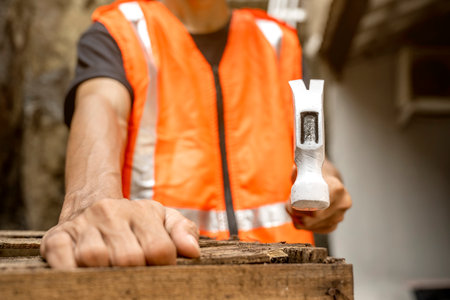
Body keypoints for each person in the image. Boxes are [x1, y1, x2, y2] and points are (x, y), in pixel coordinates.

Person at [40, 0, 352, 269]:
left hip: (287, 277)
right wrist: (90, 204)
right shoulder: (120, 33)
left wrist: (327, 184)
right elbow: (101, 105)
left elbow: (310, 149)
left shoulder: (280, 42)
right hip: (170, 277)